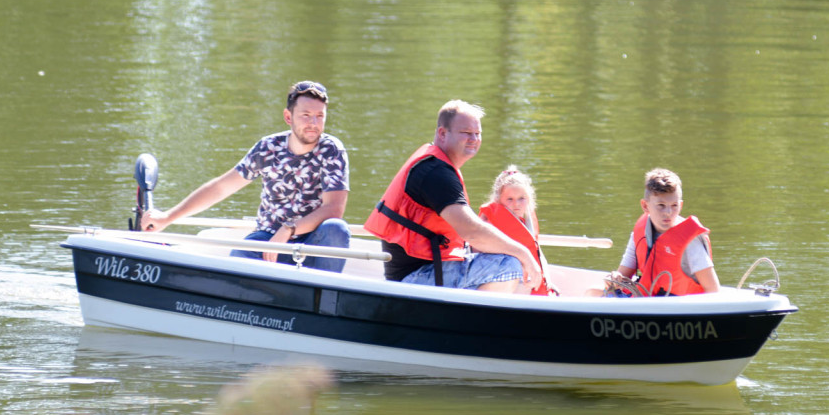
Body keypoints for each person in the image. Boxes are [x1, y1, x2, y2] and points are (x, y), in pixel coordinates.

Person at [139, 81, 351, 272]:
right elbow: (221, 187)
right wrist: (168, 217)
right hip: (267, 239)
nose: (314, 122)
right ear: (288, 117)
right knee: (239, 260)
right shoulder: (268, 148)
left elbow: (334, 209)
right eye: (306, 115)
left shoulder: (332, 150)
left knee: (336, 229)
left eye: (320, 116)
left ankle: (323, 296)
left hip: (312, 243)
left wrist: (288, 230)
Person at [363, 100, 542, 292]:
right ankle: (477, 321)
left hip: (429, 270)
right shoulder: (435, 172)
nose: (474, 138)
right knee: (509, 265)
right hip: (415, 279)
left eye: (478, 133)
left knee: (503, 258)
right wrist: (524, 253)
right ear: (442, 133)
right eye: (466, 133)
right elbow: (471, 231)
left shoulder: (439, 166)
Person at [597, 168, 719, 296]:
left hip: (679, 308)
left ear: (681, 205)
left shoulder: (690, 241)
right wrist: (615, 277)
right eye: (661, 205)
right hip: (646, 301)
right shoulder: (640, 232)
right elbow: (623, 274)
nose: (668, 212)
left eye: (674, 205)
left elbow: (713, 290)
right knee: (593, 292)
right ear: (645, 206)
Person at [478, 166, 558, 296]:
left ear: (529, 198)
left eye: (522, 198)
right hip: (503, 280)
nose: (517, 204)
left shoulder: (526, 221)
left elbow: (537, 251)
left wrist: (547, 278)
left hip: (526, 281)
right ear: (498, 200)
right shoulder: (488, 221)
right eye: (510, 199)